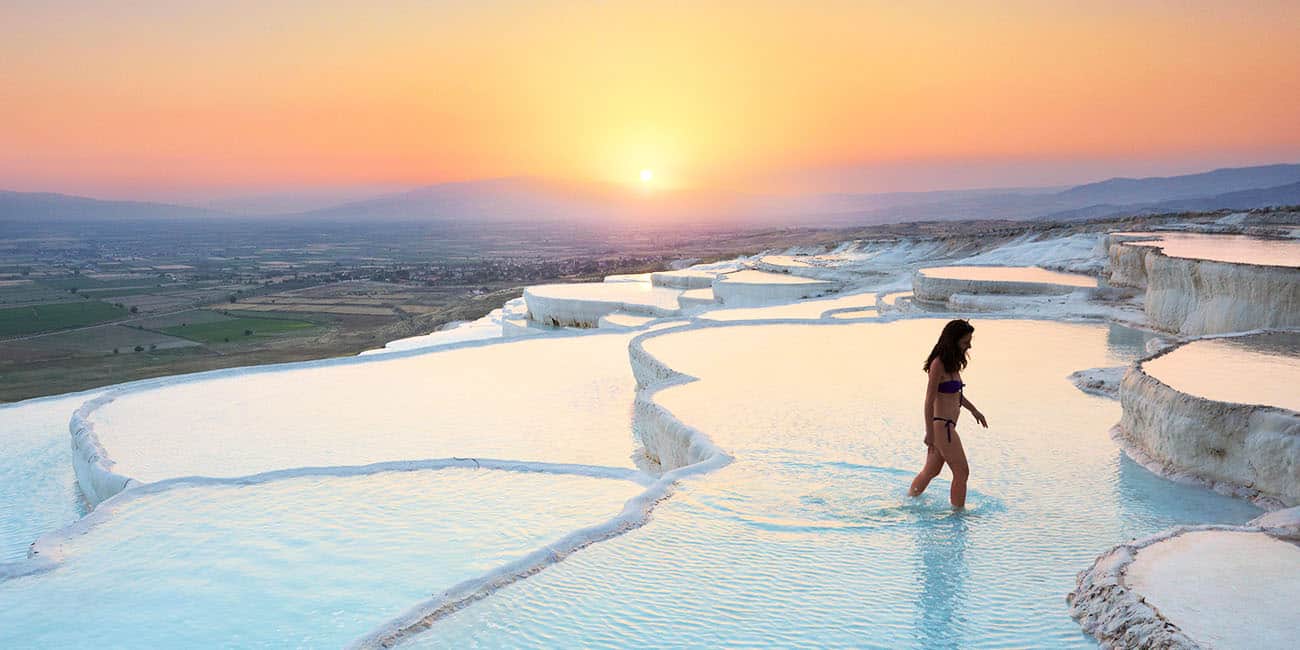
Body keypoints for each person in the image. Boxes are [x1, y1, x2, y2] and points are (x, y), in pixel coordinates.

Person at [908, 319, 987, 508]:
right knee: (962, 472)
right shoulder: (938, 364)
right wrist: (930, 433)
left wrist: (974, 410)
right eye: (965, 341)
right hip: (942, 427)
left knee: (931, 471)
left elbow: (956, 395)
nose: (969, 345)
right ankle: (958, 515)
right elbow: (929, 401)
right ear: (953, 340)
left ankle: (908, 501)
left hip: (948, 426)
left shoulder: (953, 364)